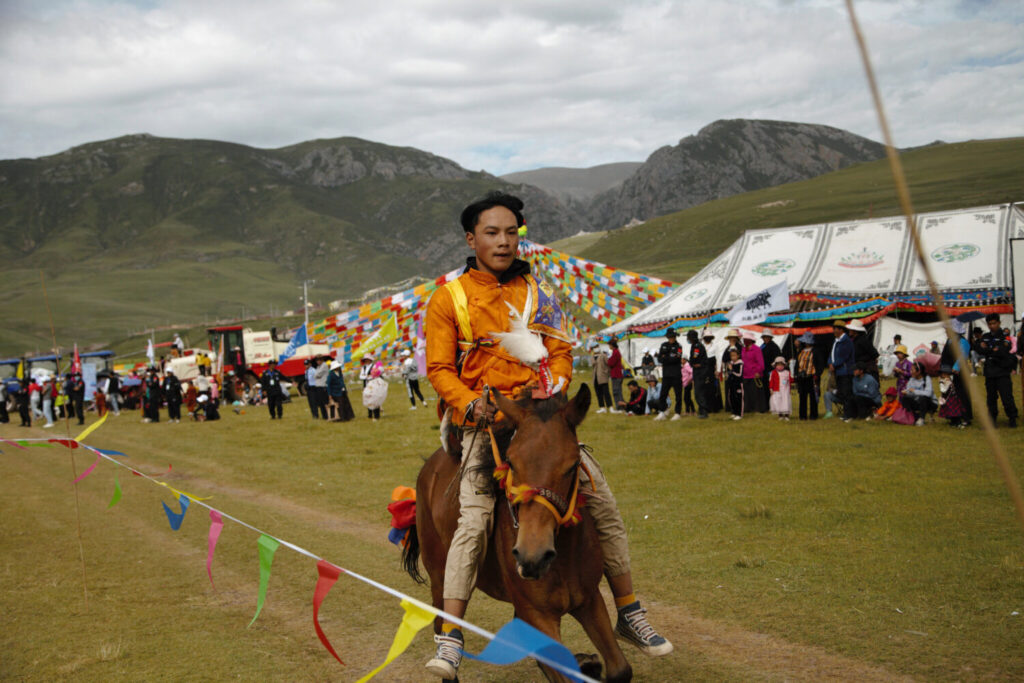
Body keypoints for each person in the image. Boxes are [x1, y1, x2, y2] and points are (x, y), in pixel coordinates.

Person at [424, 191, 671, 679]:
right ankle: (450, 636)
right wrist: (471, 401)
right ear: (471, 239)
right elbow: (438, 368)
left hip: (542, 415)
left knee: (601, 499)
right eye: (491, 233)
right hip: (484, 417)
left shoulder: (541, 294)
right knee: (473, 519)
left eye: (511, 232)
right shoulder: (447, 299)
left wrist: (556, 380)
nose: (502, 241)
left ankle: (629, 611)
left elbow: (559, 351)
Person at [977, 313, 1018, 427]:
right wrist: (992, 349)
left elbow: (1003, 350)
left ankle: (1012, 418)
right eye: (989, 324)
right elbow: (979, 349)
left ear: (999, 323)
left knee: (1007, 397)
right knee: (991, 399)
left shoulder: (1005, 336)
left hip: (1002, 371)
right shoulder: (985, 336)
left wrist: (989, 349)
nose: (992, 326)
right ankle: (992, 420)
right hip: (990, 372)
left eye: (994, 323)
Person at [941, 320, 973, 428]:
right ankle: (953, 416)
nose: (945, 331)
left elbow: (962, 355)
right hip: (948, 372)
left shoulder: (962, 341)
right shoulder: (949, 341)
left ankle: (966, 417)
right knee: (950, 394)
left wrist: (956, 367)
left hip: (959, 373)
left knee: (961, 394)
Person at [654, 328, 684, 421]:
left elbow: (676, 359)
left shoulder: (679, 346)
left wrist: (665, 357)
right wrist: (668, 356)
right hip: (666, 374)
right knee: (663, 394)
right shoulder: (663, 345)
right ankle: (662, 411)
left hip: (676, 374)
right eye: (670, 337)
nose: (671, 338)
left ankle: (677, 412)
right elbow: (659, 359)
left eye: (673, 337)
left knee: (678, 394)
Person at [829, 320, 855, 422]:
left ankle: (849, 415)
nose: (834, 331)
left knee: (847, 393)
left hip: (845, 371)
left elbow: (844, 356)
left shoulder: (847, 341)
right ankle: (845, 413)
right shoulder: (836, 341)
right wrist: (830, 363)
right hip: (838, 371)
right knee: (842, 393)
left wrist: (834, 365)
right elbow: (831, 354)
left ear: (840, 330)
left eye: (835, 329)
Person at [794, 332, 818, 420]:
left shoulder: (815, 351)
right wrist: (796, 375)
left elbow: (819, 364)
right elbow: (797, 364)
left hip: (811, 376)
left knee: (813, 396)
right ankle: (802, 415)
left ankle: (813, 415)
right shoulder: (801, 351)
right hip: (801, 377)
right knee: (802, 397)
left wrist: (817, 374)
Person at [741, 331, 766, 414]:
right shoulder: (743, 349)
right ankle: (747, 408)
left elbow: (761, 362)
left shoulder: (756, 349)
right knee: (747, 393)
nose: (745, 341)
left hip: (754, 374)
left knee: (756, 393)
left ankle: (758, 408)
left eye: (746, 339)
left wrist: (758, 371)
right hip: (745, 374)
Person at [759, 332, 782, 411]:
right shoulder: (762, 346)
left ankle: (773, 405)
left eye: (767, 337)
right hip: (763, 370)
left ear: (770, 337)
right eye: (764, 337)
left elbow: (778, 358)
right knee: (765, 389)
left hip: (770, 371)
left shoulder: (774, 347)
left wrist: (773, 368)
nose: (765, 338)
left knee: (771, 389)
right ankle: (766, 405)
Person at [591, 342, 613, 414]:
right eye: (594, 347)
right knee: (598, 393)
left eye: (596, 346)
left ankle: (610, 407)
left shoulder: (603, 355)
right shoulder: (592, 357)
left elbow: (608, 365)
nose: (596, 348)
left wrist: (607, 373)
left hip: (603, 377)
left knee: (606, 393)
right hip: (595, 378)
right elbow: (593, 365)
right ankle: (602, 407)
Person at [725, 347, 743, 420]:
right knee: (731, 398)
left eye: (734, 355)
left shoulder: (740, 363)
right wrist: (728, 374)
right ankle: (734, 412)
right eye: (731, 356)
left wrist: (732, 370)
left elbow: (739, 374)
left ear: (738, 356)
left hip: (738, 384)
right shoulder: (731, 363)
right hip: (731, 383)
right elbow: (729, 373)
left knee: (738, 398)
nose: (733, 357)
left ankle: (739, 414)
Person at [607, 337, 625, 412]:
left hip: (616, 375)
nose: (609, 346)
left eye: (609, 345)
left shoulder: (615, 352)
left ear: (612, 345)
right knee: (619, 391)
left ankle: (619, 406)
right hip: (618, 374)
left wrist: (608, 360)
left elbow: (611, 363)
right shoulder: (616, 351)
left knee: (616, 391)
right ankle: (622, 405)